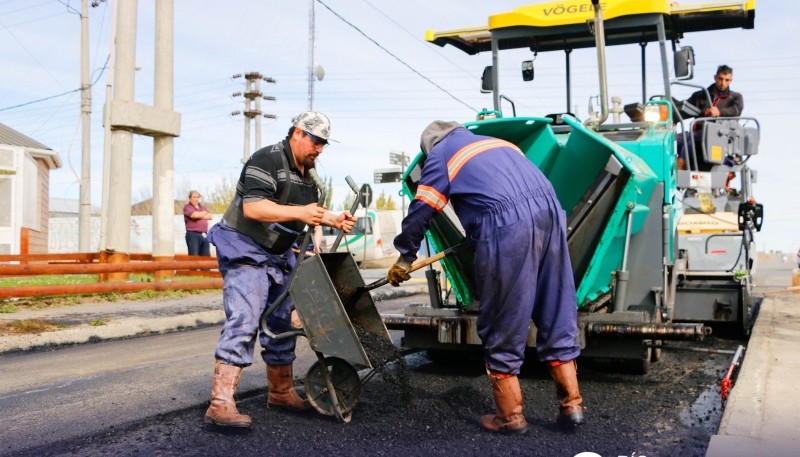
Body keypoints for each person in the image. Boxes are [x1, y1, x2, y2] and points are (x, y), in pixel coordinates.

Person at [388, 121, 584, 434]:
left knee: (504, 315)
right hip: (551, 212)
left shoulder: (442, 154)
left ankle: (509, 417)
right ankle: (571, 405)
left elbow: (423, 207)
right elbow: (507, 191)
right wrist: (480, 225)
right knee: (555, 306)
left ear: (430, 147)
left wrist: (405, 255)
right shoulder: (497, 143)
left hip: (506, 222)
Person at [203, 112, 356, 428]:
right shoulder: (268, 159)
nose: (319, 149)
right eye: (316, 141)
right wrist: (302, 212)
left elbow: (304, 229)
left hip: (279, 255)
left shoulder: (309, 184)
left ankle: (281, 391)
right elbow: (253, 207)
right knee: (245, 318)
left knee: (283, 320)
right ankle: (220, 404)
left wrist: (334, 220)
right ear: (298, 133)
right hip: (244, 246)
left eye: (324, 144)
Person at [677, 64, 743, 171]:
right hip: (697, 132)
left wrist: (719, 112)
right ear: (715, 77)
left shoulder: (735, 98)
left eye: (727, 80)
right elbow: (685, 109)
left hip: (719, 134)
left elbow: (736, 110)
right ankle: (667, 170)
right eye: (720, 79)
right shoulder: (701, 95)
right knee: (674, 139)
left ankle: (681, 166)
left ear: (731, 80)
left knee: (688, 140)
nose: (723, 83)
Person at [183, 190, 213, 256]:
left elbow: (210, 216)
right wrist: (204, 213)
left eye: (197, 197)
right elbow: (194, 215)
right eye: (194, 197)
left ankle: (205, 267)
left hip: (204, 234)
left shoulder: (202, 207)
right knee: (194, 255)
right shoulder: (187, 207)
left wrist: (199, 215)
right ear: (190, 198)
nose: (196, 199)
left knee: (206, 256)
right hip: (193, 235)